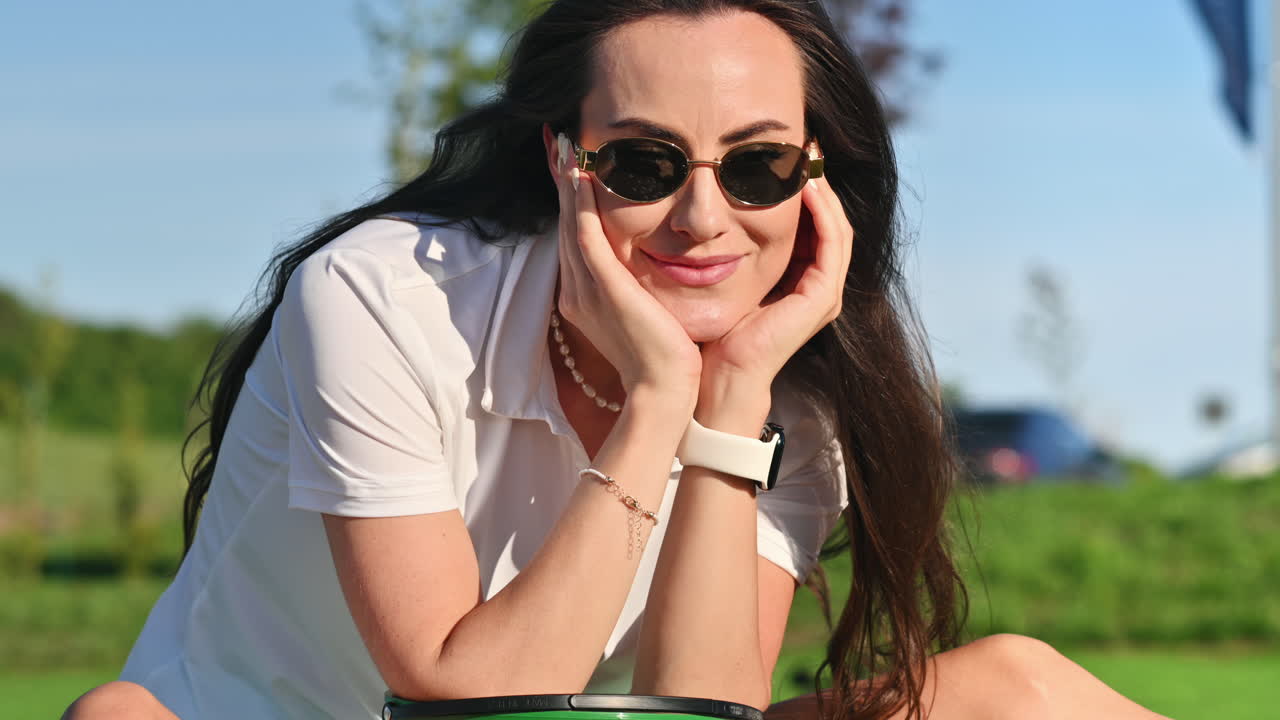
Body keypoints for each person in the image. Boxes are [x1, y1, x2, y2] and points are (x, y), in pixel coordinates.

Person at [64, 2, 1171, 719]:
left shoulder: (791, 387)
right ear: (563, 160)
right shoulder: (380, 294)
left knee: (1012, 689)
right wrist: (656, 404)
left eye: (757, 166)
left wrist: (730, 398)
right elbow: (461, 693)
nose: (701, 216)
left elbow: (702, 710)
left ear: (812, 179)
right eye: (642, 162)